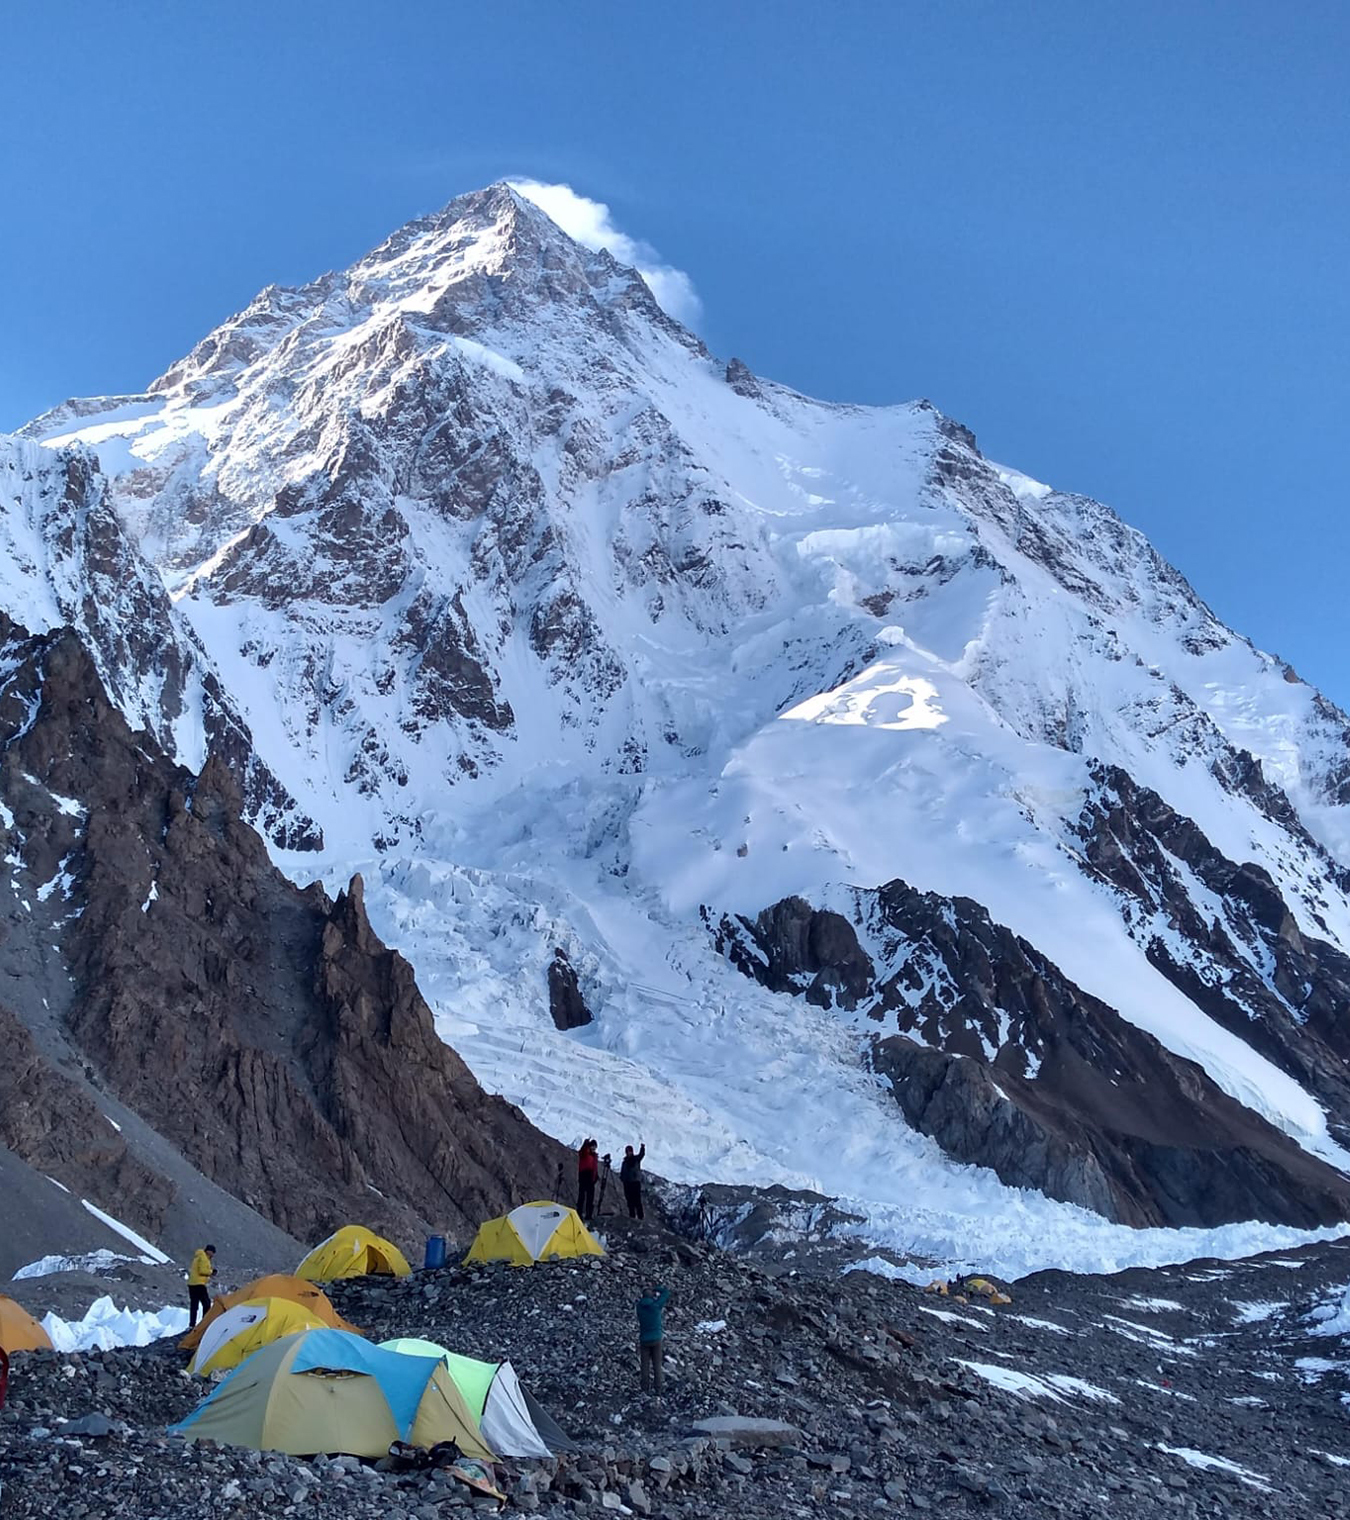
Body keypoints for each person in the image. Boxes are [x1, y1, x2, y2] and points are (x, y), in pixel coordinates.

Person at [636, 1283, 669, 1396]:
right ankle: (658, 1389)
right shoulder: (656, 1306)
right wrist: (655, 1288)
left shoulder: (639, 1307)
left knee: (645, 1365)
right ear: (652, 1296)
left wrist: (648, 1291)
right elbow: (666, 1293)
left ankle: (645, 1388)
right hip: (656, 1339)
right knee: (657, 1364)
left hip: (644, 1339)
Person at [187, 1244, 216, 1328]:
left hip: (192, 1283)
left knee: (194, 1305)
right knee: (206, 1303)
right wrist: (211, 1272)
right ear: (209, 1251)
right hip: (199, 1284)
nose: (213, 1255)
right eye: (213, 1252)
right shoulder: (204, 1258)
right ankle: (204, 1324)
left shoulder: (197, 1256)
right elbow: (202, 1270)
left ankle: (192, 1324)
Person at [620, 1142, 647, 1219]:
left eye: (630, 1151)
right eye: (627, 1151)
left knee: (637, 1201)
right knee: (629, 1201)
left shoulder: (636, 1159)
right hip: (627, 1183)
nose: (629, 1153)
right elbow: (623, 1172)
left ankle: (640, 1217)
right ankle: (632, 1216)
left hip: (635, 1183)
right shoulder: (624, 1162)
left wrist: (642, 1148)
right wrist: (622, 1178)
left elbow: (641, 1155)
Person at [576, 1139, 599, 1220]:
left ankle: (588, 1214)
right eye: (592, 1146)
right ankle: (579, 1213)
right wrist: (585, 1144)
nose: (594, 1148)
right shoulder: (585, 1153)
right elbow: (582, 1151)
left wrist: (596, 1176)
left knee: (590, 1197)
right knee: (582, 1196)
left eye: (595, 1147)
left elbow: (595, 1167)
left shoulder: (594, 1156)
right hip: (584, 1176)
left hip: (591, 1178)